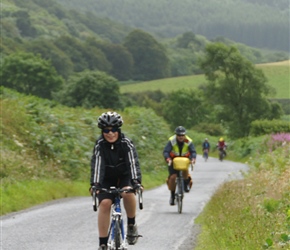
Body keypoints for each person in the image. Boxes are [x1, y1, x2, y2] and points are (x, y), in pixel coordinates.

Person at [90, 111, 142, 250]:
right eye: (106, 130)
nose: (110, 133)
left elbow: (133, 163)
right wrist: (95, 184)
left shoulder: (126, 144)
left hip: (125, 176)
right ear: (102, 131)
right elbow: (97, 165)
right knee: (105, 203)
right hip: (106, 179)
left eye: (113, 129)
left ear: (118, 130)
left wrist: (136, 182)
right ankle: (102, 243)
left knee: (128, 193)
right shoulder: (100, 145)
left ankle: (131, 225)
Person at [163, 126, 196, 205]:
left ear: (184, 135)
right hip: (173, 162)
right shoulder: (172, 141)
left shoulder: (188, 141)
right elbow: (166, 151)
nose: (180, 137)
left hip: (184, 161)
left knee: (185, 172)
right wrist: (168, 159)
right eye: (179, 135)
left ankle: (185, 184)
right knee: (173, 177)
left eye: (182, 135)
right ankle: (172, 196)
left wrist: (193, 158)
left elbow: (193, 151)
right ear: (176, 135)